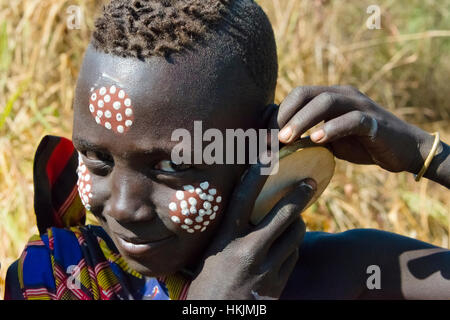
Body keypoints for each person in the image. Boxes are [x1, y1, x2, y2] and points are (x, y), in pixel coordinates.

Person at [4, 0, 449, 300]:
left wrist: (425, 154)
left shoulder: (336, 276)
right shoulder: (58, 276)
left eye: (172, 165)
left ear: (263, 150)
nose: (122, 207)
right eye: (97, 159)